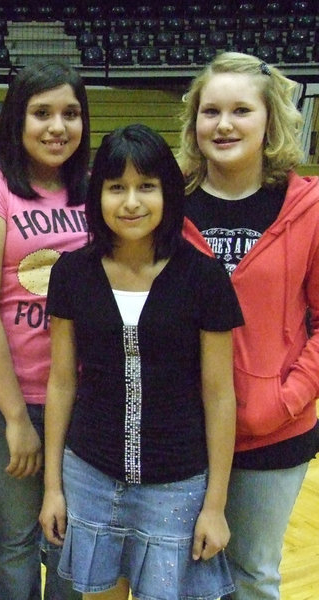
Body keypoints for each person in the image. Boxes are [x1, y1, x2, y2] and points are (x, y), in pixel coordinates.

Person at [40, 124, 241, 600]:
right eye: (117, 188)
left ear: (168, 193)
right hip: (88, 474)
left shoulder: (204, 277)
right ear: (98, 196)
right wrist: (53, 487)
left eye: (146, 187)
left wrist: (215, 504)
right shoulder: (71, 272)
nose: (131, 202)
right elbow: (62, 383)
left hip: (176, 486)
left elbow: (219, 395)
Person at [178, 52, 319, 600]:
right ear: (194, 124)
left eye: (241, 110)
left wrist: (284, 399)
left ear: (269, 123)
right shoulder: (170, 206)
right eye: (210, 111)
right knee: (183, 574)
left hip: (274, 434)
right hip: (183, 432)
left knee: (253, 576)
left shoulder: (308, 208)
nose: (224, 124)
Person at [0, 59, 88, 600]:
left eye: (71, 113)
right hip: (10, 397)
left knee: (72, 535)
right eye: (42, 113)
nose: (57, 127)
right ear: (16, 121)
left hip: (84, 395)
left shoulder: (94, 189)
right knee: (18, 532)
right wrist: (14, 417)